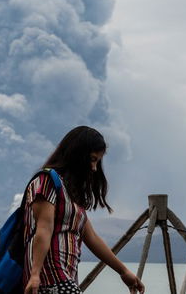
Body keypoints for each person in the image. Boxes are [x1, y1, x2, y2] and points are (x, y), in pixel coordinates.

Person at [23, 126, 145, 294]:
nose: (94, 168)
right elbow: (44, 229)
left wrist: (123, 271)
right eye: (92, 159)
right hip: (50, 277)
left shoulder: (70, 192)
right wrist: (35, 274)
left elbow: (92, 238)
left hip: (67, 276)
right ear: (76, 154)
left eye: (97, 161)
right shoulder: (47, 181)